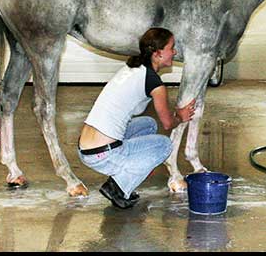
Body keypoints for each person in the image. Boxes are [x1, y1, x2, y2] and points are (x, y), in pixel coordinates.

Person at [78, 27, 197, 209]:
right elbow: (167, 123)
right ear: (157, 54)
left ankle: (123, 173)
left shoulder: (132, 67)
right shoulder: (154, 83)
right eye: (171, 47)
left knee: (148, 124)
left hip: (86, 147)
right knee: (165, 145)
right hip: (103, 154)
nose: (174, 52)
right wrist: (181, 116)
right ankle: (118, 188)